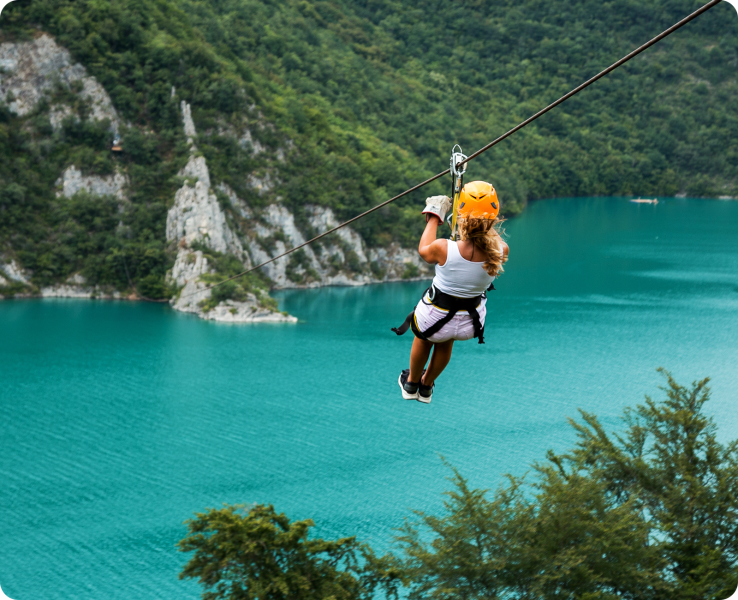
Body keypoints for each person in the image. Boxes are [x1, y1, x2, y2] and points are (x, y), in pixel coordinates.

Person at [392, 181, 509, 403]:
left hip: (433, 317)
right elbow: (485, 239)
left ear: (461, 216)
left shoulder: (445, 248)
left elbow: (424, 251)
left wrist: (435, 216)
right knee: (446, 340)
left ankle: (411, 383)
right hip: (469, 323)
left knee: (423, 338)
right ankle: (426, 387)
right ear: (494, 218)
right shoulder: (501, 249)